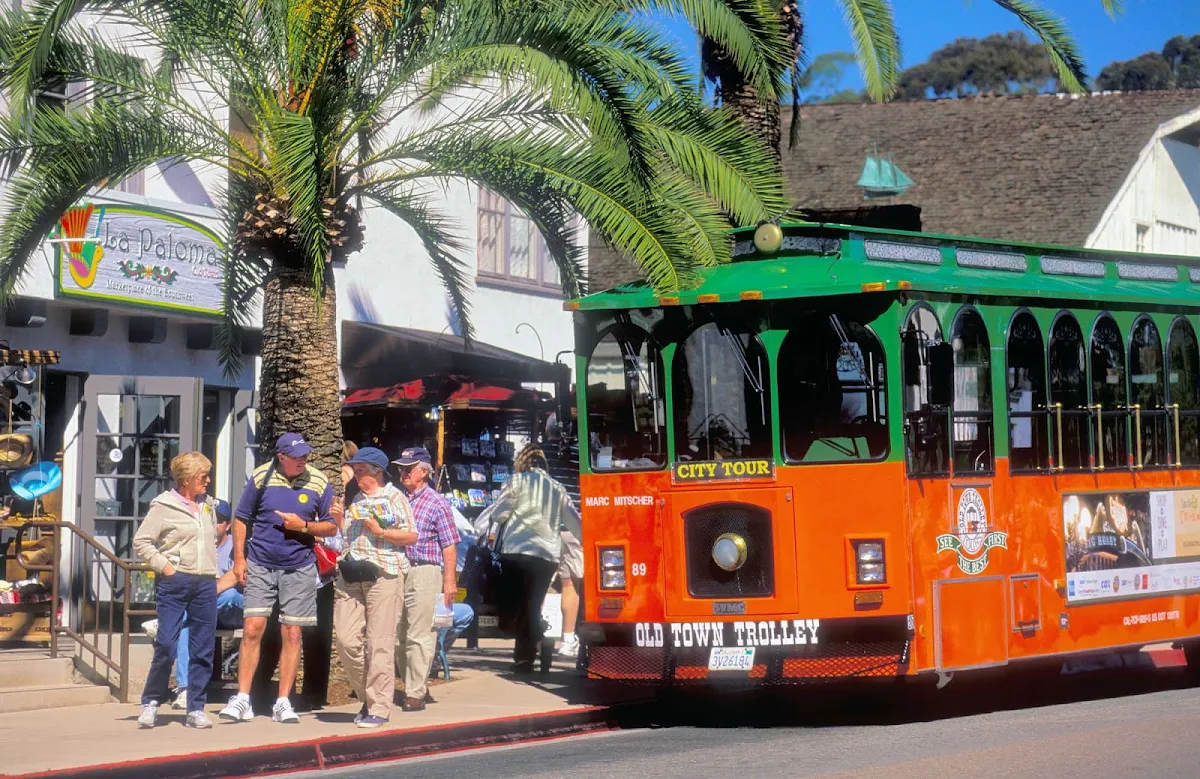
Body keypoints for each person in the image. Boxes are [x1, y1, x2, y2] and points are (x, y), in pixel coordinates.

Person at [219, 433, 338, 724]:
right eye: (296, 456)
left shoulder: (319, 482)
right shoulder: (262, 476)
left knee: (293, 633)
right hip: (260, 563)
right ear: (281, 457)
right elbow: (241, 518)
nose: (303, 461)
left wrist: (304, 526)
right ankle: (243, 699)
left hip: (299, 566)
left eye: (305, 456)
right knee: (252, 629)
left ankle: (283, 701)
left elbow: (332, 528)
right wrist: (239, 558)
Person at [132, 452, 220, 730]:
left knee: (203, 649)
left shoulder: (208, 505)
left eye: (207, 475)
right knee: (167, 644)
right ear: (185, 480)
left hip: (205, 583)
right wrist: (166, 567)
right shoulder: (163, 505)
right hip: (175, 583)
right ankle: (151, 702)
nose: (207, 480)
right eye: (202, 477)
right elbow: (142, 541)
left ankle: (195, 707)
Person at [334, 447, 417, 727]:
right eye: (355, 471)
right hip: (352, 571)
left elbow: (411, 535)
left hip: (384, 573)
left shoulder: (395, 497)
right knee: (346, 639)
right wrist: (338, 520)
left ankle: (379, 707)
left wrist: (381, 532)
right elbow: (348, 536)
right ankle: (366, 696)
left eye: (361, 472)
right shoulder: (357, 497)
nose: (356, 476)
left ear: (377, 472)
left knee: (379, 642)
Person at [489, 445, 582, 674]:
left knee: (519, 606)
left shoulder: (516, 481)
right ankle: (530, 652)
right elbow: (574, 522)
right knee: (531, 604)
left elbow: (498, 514)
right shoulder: (557, 488)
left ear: (521, 461)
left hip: (516, 551)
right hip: (546, 555)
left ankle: (528, 652)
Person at [393, 446, 460, 712]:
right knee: (398, 635)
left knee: (420, 634)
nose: (403, 473)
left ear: (424, 471)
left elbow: (450, 546)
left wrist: (449, 581)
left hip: (425, 570)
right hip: (397, 569)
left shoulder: (437, 502)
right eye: (401, 469)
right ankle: (415, 683)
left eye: (409, 469)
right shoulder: (397, 500)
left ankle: (415, 693)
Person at [171, 500, 243, 712]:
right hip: (204, 611)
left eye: (218, 522)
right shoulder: (197, 546)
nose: (213, 527)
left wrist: (205, 594)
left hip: (233, 610)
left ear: (227, 525)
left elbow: (237, 577)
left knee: (228, 594)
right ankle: (185, 689)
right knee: (187, 621)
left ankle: (169, 621)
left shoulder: (235, 547)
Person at [542, 414, 583, 658]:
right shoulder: (578, 454)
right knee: (570, 583)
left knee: (540, 585)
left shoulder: (536, 455)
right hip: (571, 527)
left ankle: (536, 641)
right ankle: (568, 639)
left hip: (541, 527)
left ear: (547, 431)